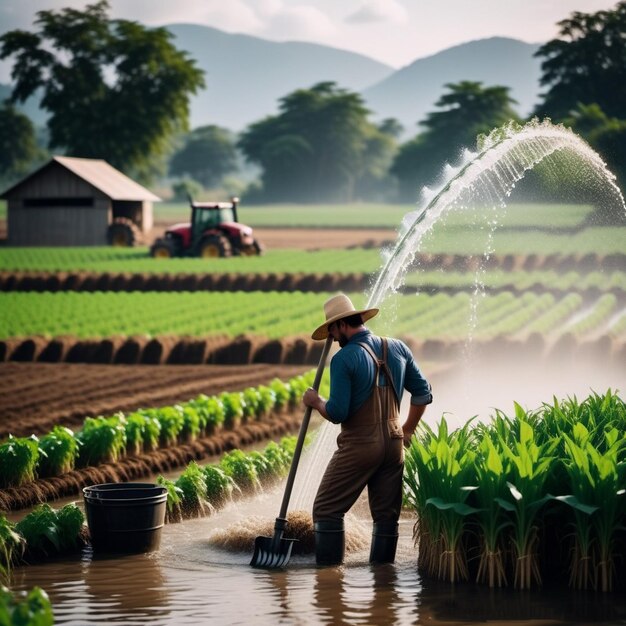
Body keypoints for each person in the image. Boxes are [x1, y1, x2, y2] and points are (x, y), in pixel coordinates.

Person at [303, 293, 432, 566]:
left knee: (326, 510)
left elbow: (338, 412)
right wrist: (407, 429)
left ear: (341, 326)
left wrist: (315, 402)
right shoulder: (397, 347)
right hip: (395, 446)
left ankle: (329, 584)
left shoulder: (344, 359)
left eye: (333, 330)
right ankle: (383, 585)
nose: (333, 338)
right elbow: (423, 393)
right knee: (386, 517)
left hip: (361, 446)